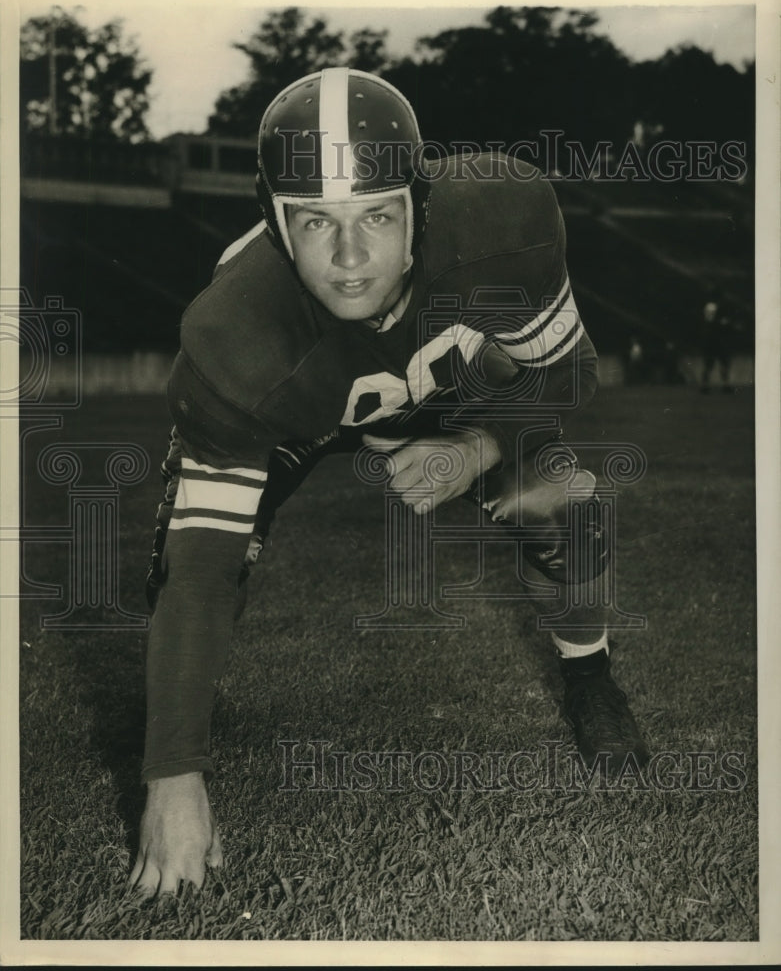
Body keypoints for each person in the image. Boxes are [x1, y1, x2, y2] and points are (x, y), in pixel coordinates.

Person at [128, 68, 649, 897]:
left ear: (420, 211)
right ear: (274, 222)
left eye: (375, 215)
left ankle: (589, 675)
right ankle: (188, 719)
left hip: (451, 396)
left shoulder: (497, 226)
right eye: (314, 223)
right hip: (302, 417)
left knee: (553, 491)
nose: (347, 257)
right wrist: (171, 778)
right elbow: (196, 573)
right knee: (187, 562)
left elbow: (570, 374)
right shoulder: (234, 336)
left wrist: (478, 447)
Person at [700, 298, 735, 393]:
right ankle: (706, 386)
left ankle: (724, 385)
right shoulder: (711, 322)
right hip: (712, 344)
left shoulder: (715, 321)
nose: (710, 313)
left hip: (717, 344)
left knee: (719, 365)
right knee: (710, 365)